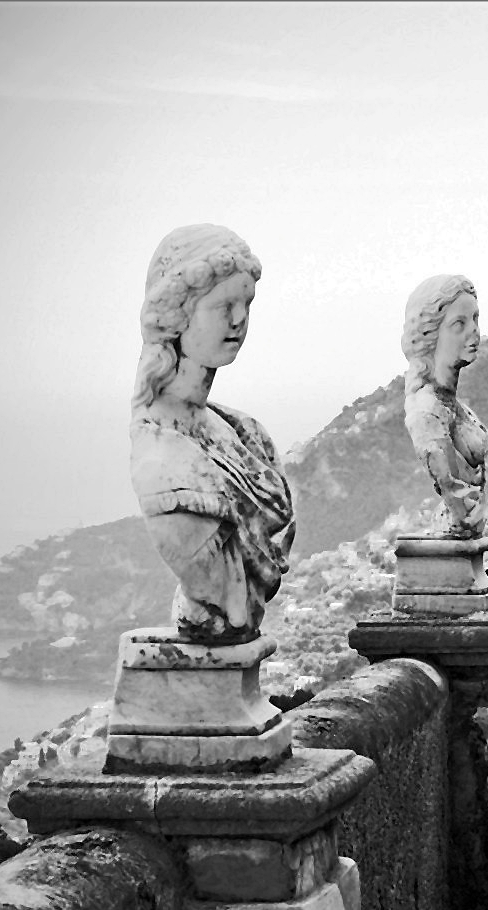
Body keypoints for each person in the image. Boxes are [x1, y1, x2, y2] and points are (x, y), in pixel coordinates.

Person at [130, 224, 294, 643]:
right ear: (177, 313)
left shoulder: (245, 432)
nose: (240, 320)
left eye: (247, 304)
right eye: (224, 305)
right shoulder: (162, 456)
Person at [402, 273, 488, 539]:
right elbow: (453, 486)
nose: (474, 331)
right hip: (457, 528)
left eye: (475, 319)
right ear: (431, 335)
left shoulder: (458, 409)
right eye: (459, 324)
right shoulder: (427, 412)